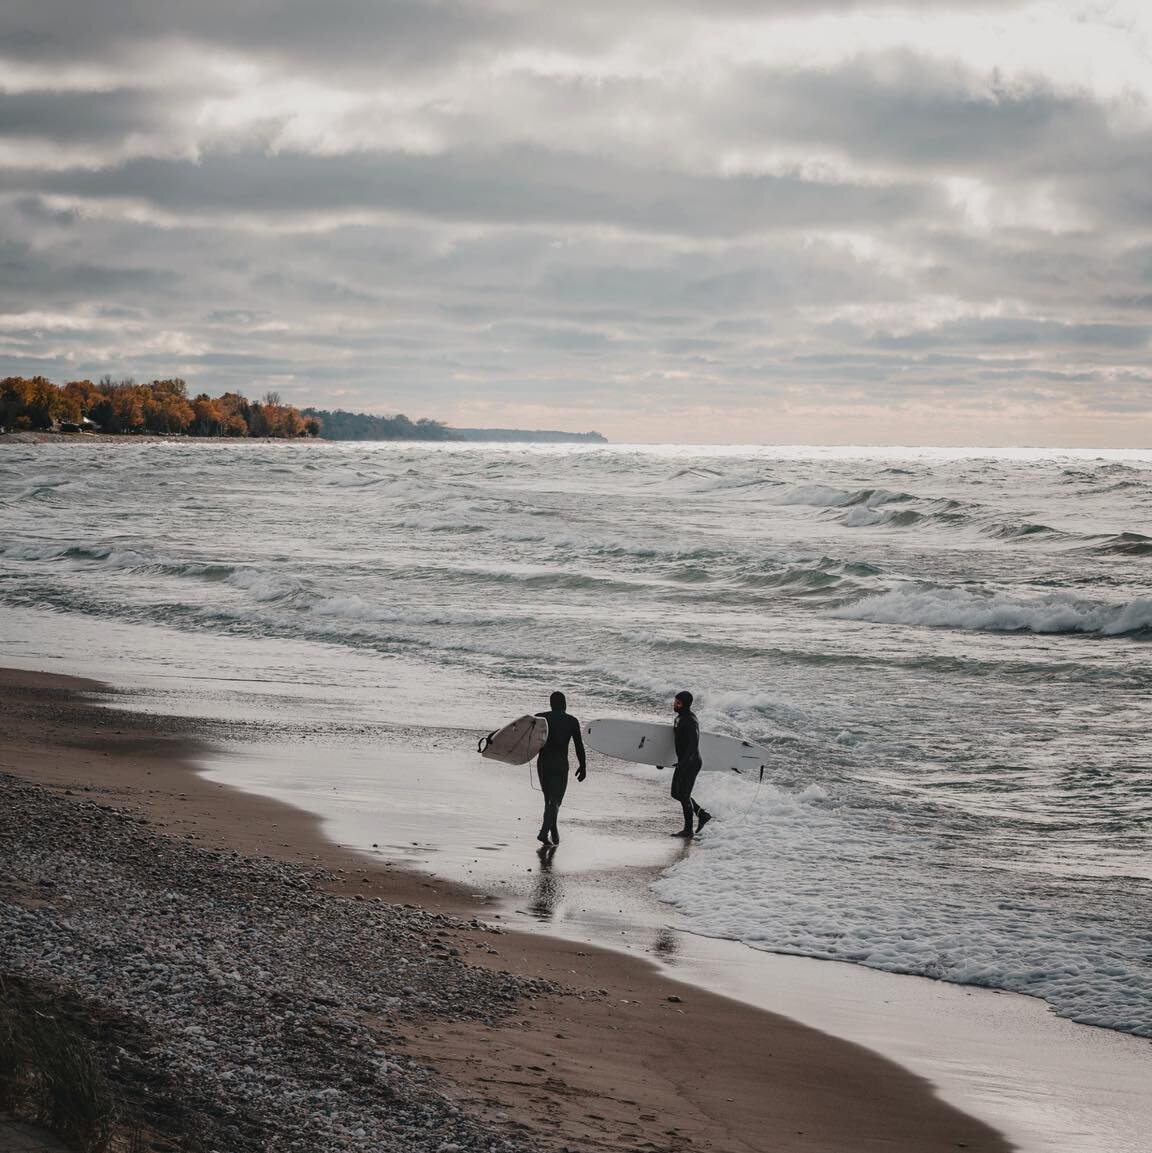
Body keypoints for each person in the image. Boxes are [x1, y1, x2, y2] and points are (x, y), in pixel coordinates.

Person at [534, 690, 587, 846]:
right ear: (565, 704)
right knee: (555, 801)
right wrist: (583, 765)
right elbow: (579, 746)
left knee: (549, 800)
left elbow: (527, 738)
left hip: (543, 763)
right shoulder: (571, 721)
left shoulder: (541, 718)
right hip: (560, 764)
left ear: (551, 705)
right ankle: (544, 832)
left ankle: (554, 831)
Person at [670, 690, 711, 838]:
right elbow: (678, 743)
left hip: (691, 762)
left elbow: (693, 743)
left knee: (684, 795)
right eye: (675, 701)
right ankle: (702, 814)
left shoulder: (690, 720)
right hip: (684, 762)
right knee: (676, 793)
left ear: (685, 705)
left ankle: (688, 830)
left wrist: (684, 762)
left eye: (678, 703)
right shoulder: (679, 718)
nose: (675, 704)